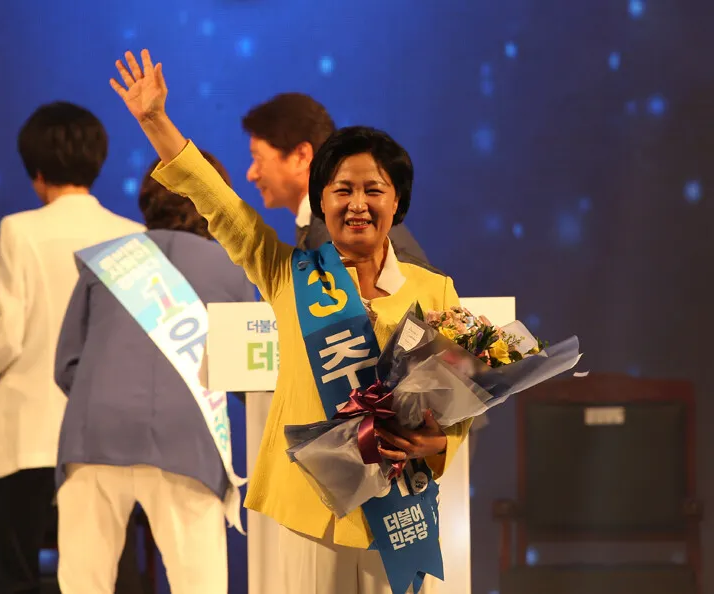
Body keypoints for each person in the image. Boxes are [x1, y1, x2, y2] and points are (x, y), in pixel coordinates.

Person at [110, 49, 471, 594]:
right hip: (312, 509)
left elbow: (461, 397)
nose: (357, 204)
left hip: (397, 511)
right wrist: (157, 122)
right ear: (321, 201)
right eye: (341, 190)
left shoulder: (434, 289)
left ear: (397, 203)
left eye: (373, 190)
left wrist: (439, 446)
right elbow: (220, 205)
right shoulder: (290, 274)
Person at [0, 101, 146, 594]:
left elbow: (8, 334)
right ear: (98, 160)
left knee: (15, 576)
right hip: (105, 440)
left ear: (36, 171)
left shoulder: (20, 230)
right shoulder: (133, 235)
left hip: (28, 436)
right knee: (105, 574)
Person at [52, 149, 251, 594]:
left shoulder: (106, 260)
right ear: (216, 202)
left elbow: (67, 367)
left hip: (93, 435)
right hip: (186, 442)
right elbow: (252, 377)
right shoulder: (234, 271)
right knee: (199, 585)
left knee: (84, 584)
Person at [242, 92, 433, 266]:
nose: (251, 174)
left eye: (258, 159)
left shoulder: (336, 226)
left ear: (301, 156)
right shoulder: (320, 225)